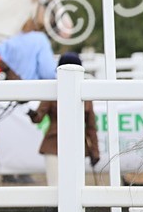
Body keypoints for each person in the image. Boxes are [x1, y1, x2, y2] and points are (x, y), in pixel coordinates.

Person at [28, 52, 100, 187]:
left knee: (75, 185)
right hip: (54, 143)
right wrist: (32, 113)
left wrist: (95, 151)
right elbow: (39, 117)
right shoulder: (52, 90)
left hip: (77, 144)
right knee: (55, 185)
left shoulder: (86, 93)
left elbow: (91, 126)